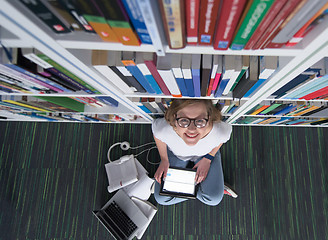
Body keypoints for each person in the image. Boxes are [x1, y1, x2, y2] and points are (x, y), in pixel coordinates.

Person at [151, 99, 237, 206]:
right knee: (161, 199)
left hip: (206, 154)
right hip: (177, 155)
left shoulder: (220, 132)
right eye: (183, 120)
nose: (192, 129)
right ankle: (202, 190)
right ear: (174, 117)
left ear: (209, 118)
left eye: (200, 121)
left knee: (214, 199)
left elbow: (222, 139)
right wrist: (164, 159)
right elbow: (157, 134)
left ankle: (192, 189)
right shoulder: (164, 129)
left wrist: (208, 158)